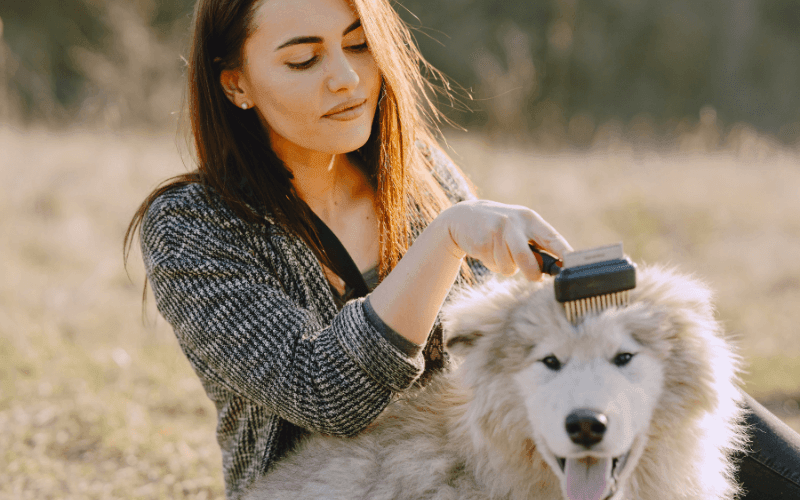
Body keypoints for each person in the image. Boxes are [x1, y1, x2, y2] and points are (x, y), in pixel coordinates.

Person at [125, 0, 800, 498]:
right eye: (304, 58)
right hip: (336, 481)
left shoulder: (414, 172)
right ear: (234, 82)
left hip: (472, 447)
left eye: (359, 45)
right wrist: (446, 238)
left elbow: (496, 351)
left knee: (675, 391)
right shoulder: (194, 225)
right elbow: (324, 393)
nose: (347, 79)